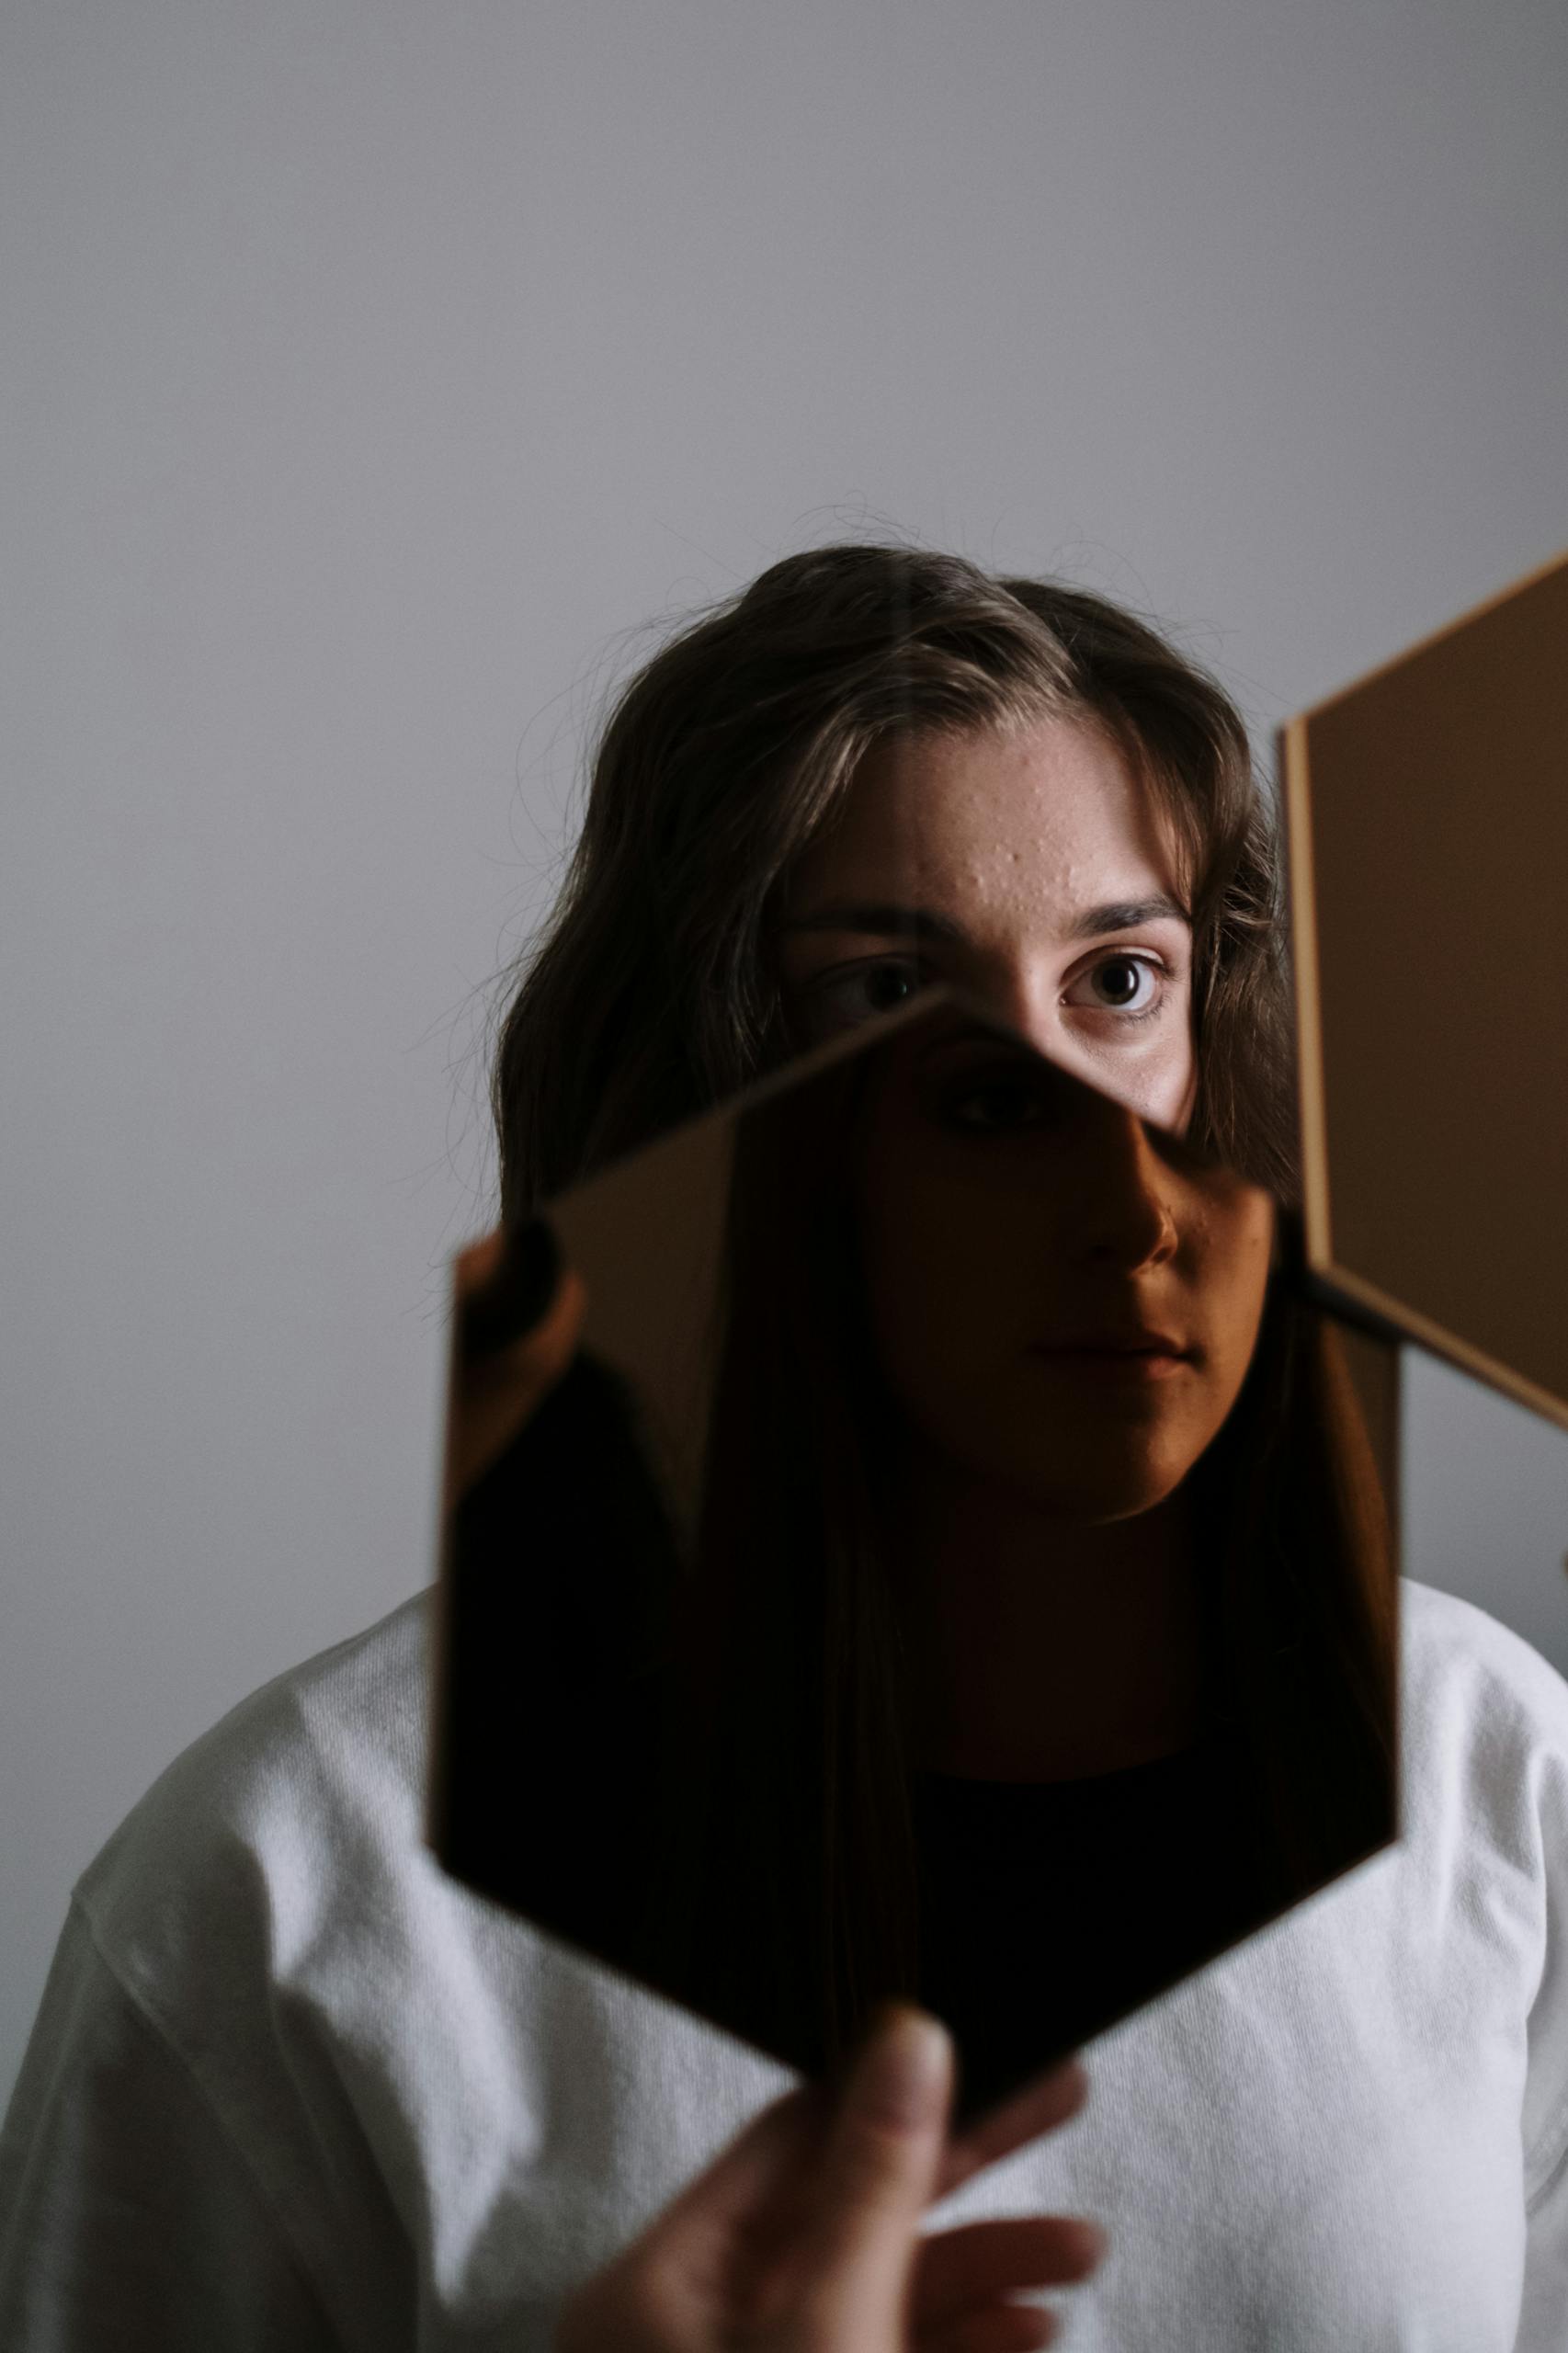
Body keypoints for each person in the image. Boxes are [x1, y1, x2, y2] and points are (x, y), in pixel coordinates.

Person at [3, 547, 1566, 2349]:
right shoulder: (282, 1884)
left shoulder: (1486, 1767)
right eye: (894, 996)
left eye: (1117, 980)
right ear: (707, 1074)